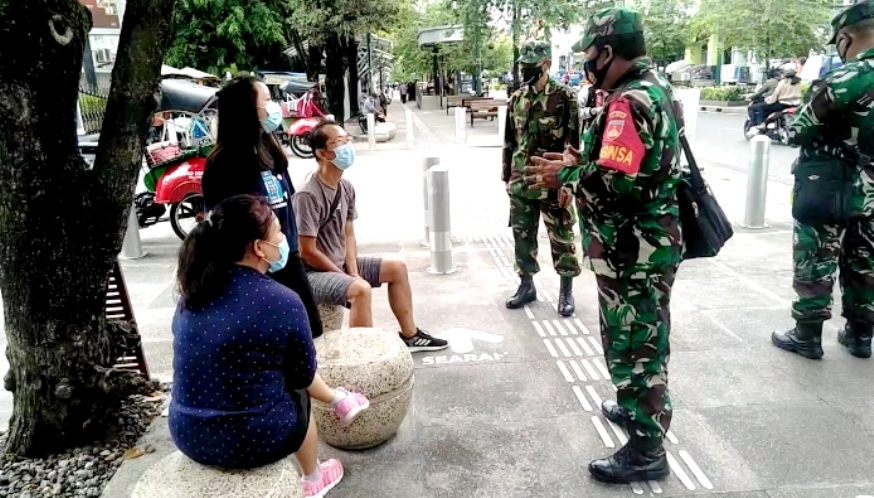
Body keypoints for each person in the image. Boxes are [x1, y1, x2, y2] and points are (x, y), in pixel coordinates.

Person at [525, 8, 683, 483]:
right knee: (644, 336)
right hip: (643, 245)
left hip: (633, 249)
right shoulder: (653, 89)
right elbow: (632, 164)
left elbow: (618, 183)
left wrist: (566, 173)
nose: (587, 63)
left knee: (636, 346)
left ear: (608, 53)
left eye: (590, 55)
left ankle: (647, 450)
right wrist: (584, 159)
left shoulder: (628, 101)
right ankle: (637, 409)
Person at [170, 195, 370, 497]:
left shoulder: (192, 295)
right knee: (296, 390)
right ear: (259, 248)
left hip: (187, 434)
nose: (283, 237)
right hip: (255, 441)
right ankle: (314, 477)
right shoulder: (283, 300)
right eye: (277, 231)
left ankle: (338, 401)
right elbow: (302, 376)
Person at [771, 0, 874, 360]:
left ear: (845, 37)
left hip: (828, 184)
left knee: (816, 255)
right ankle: (861, 335)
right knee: (866, 259)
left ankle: (807, 335)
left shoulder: (848, 76)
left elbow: (798, 130)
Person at [293, 121, 449, 353]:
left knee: (397, 268)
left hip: (339, 264)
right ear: (322, 153)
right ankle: (362, 355)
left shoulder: (345, 187)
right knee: (360, 290)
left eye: (347, 140)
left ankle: (411, 335)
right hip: (313, 273)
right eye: (339, 142)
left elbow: (349, 233)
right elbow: (307, 250)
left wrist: (353, 270)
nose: (347, 146)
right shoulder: (308, 194)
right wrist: (345, 276)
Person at [201, 75, 326, 338]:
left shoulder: (268, 147)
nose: (274, 107)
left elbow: (286, 203)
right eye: (267, 100)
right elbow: (222, 224)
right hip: (254, 268)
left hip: (287, 257)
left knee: (310, 329)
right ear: (247, 108)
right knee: (274, 338)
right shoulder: (223, 164)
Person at [502, 39, 581, 317]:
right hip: (522, 181)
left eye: (531, 66)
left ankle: (566, 291)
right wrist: (507, 178)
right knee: (522, 236)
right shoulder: (517, 99)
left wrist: (569, 184)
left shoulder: (566, 97)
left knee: (561, 236)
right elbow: (510, 142)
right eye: (523, 66)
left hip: (553, 182)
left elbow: (574, 148)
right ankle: (526, 286)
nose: (526, 71)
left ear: (546, 64)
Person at [747, 67, 802, 135]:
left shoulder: (783, 82)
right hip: (795, 104)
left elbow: (775, 95)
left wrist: (768, 100)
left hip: (782, 105)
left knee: (755, 107)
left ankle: (761, 124)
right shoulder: (798, 83)